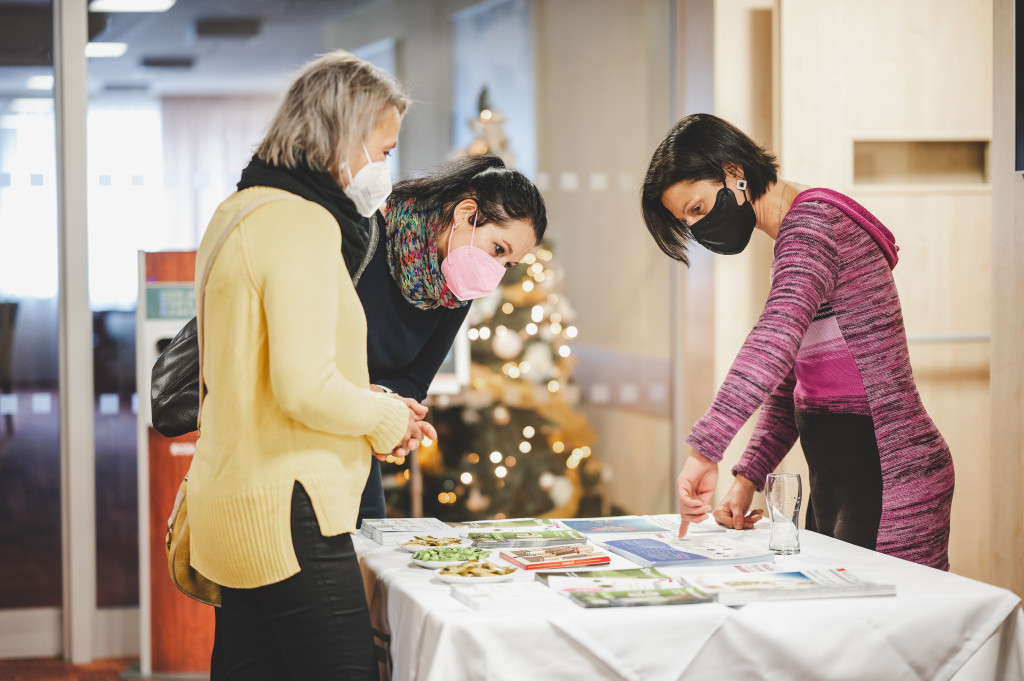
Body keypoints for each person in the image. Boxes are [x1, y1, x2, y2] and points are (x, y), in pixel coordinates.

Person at [187, 51, 424, 680]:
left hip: (237, 495)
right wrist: (386, 416)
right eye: (383, 149)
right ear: (342, 136)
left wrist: (368, 397)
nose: (383, 168)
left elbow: (263, 368)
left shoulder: (240, 209)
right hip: (289, 508)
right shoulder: (302, 221)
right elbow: (303, 387)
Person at [640, 113, 954, 570]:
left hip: (892, 476)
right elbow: (791, 387)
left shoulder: (813, 224)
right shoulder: (793, 238)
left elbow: (774, 338)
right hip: (839, 483)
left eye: (697, 208)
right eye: (686, 221)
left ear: (733, 172)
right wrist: (747, 479)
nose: (698, 227)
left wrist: (705, 449)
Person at [351, 154, 547, 521]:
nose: (497, 271)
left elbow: (415, 379)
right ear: (465, 214)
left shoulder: (455, 290)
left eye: (508, 264)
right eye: (498, 249)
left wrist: (393, 409)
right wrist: (380, 402)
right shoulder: (363, 238)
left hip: (359, 444)